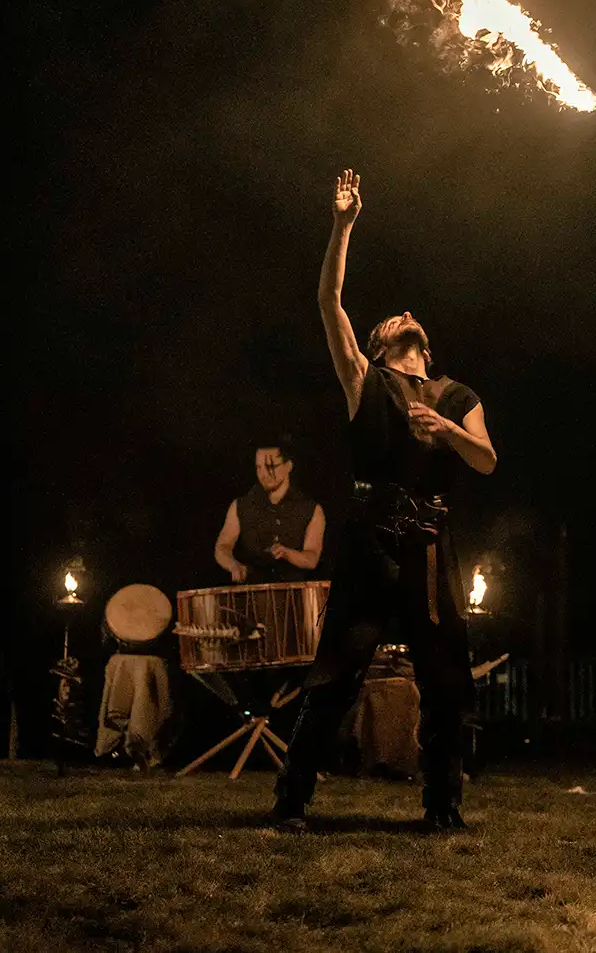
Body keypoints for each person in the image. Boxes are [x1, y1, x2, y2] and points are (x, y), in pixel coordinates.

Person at [272, 169, 496, 831]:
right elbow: (327, 300)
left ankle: (443, 810)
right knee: (336, 675)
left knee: (448, 682)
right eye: (389, 322)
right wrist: (343, 225)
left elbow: (485, 459)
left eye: (409, 320)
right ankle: (291, 801)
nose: (402, 315)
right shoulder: (365, 382)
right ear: (377, 346)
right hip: (372, 542)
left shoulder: (459, 395)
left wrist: (447, 429)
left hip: (430, 545)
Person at [214, 441, 326, 584]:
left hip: (295, 596)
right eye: (259, 467)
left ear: (288, 466)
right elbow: (222, 546)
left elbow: (312, 558)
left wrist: (287, 553)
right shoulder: (240, 505)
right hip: (251, 597)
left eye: (270, 466)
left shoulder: (312, 509)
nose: (263, 474)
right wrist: (232, 565)